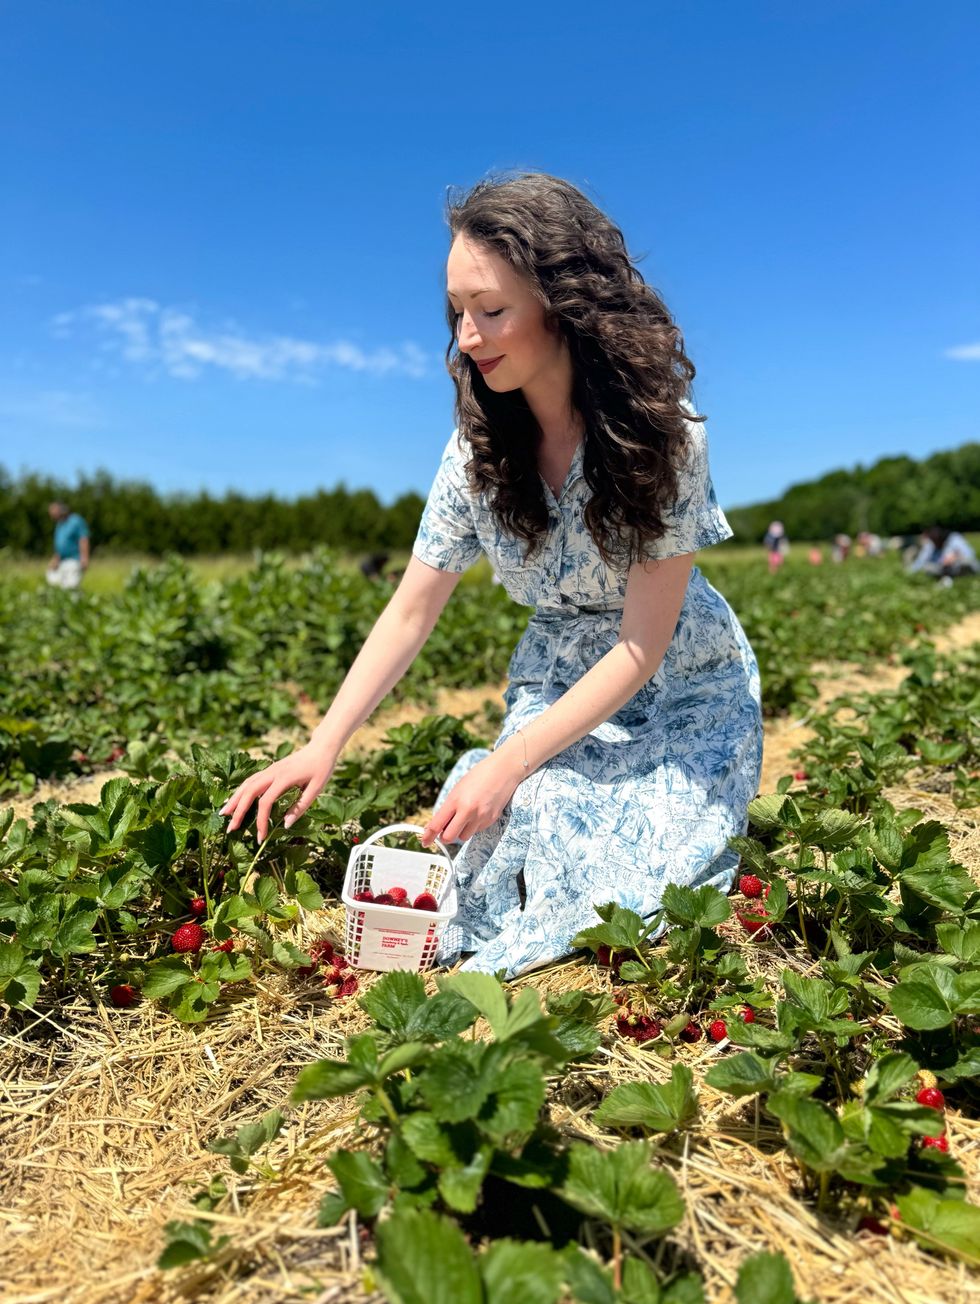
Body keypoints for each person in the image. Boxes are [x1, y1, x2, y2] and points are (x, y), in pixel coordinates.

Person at [221, 173, 763, 978]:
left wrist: (510, 763)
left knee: (610, 873)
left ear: (564, 303)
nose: (468, 336)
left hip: (680, 685)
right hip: (557, 685)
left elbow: (641, 649)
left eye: (492, 309)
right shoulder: (475, 452)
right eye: (457, 312)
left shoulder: (664, 437)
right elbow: (411, 609)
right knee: (522, 824)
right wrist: (321, 745)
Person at [907, 526, 980, 584]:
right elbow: (921, 561)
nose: (935, 544)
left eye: (936, 541)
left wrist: (956, 557)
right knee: (927, 567)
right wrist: (909, 573)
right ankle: (947, 579)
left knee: (966, 563)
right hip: (942, 569)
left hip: (959, 566)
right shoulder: (931, 544)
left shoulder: (955, 539)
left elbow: (970, 555)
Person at [46, 501, 90, 588]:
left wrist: (84, 558)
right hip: (62, 561)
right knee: (55, 582)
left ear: (61, 510)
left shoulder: (76, 521)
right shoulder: (59, 524)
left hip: (74, 560)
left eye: (54, 513)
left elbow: (83, 539)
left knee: (71, 587)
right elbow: (60, 546)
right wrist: (56, 559)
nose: (53, 516)